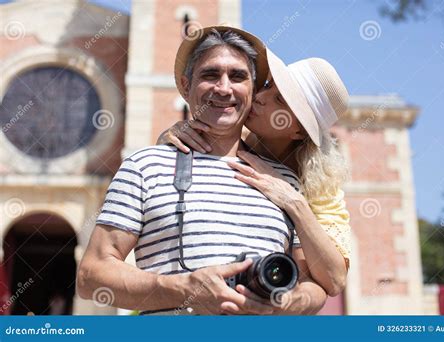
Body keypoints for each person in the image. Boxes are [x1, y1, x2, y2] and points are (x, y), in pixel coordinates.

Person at [77, 26, 328, 315]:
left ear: (252, 90)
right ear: (185, 86)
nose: (224, 88)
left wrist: (290, 302)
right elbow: (90, 277)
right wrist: (186, 289)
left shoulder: (284, 183)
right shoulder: (143, 167)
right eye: (210, 75)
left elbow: (314, 284)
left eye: (238, 76)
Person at [157, 47, 352, 297]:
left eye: (280, 100)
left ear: (299, 131)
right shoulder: (222, 140)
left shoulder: (322, 188)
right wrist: (169, 136)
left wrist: (293, 201)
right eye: (268, 85)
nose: (260, 97)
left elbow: (334, 281)